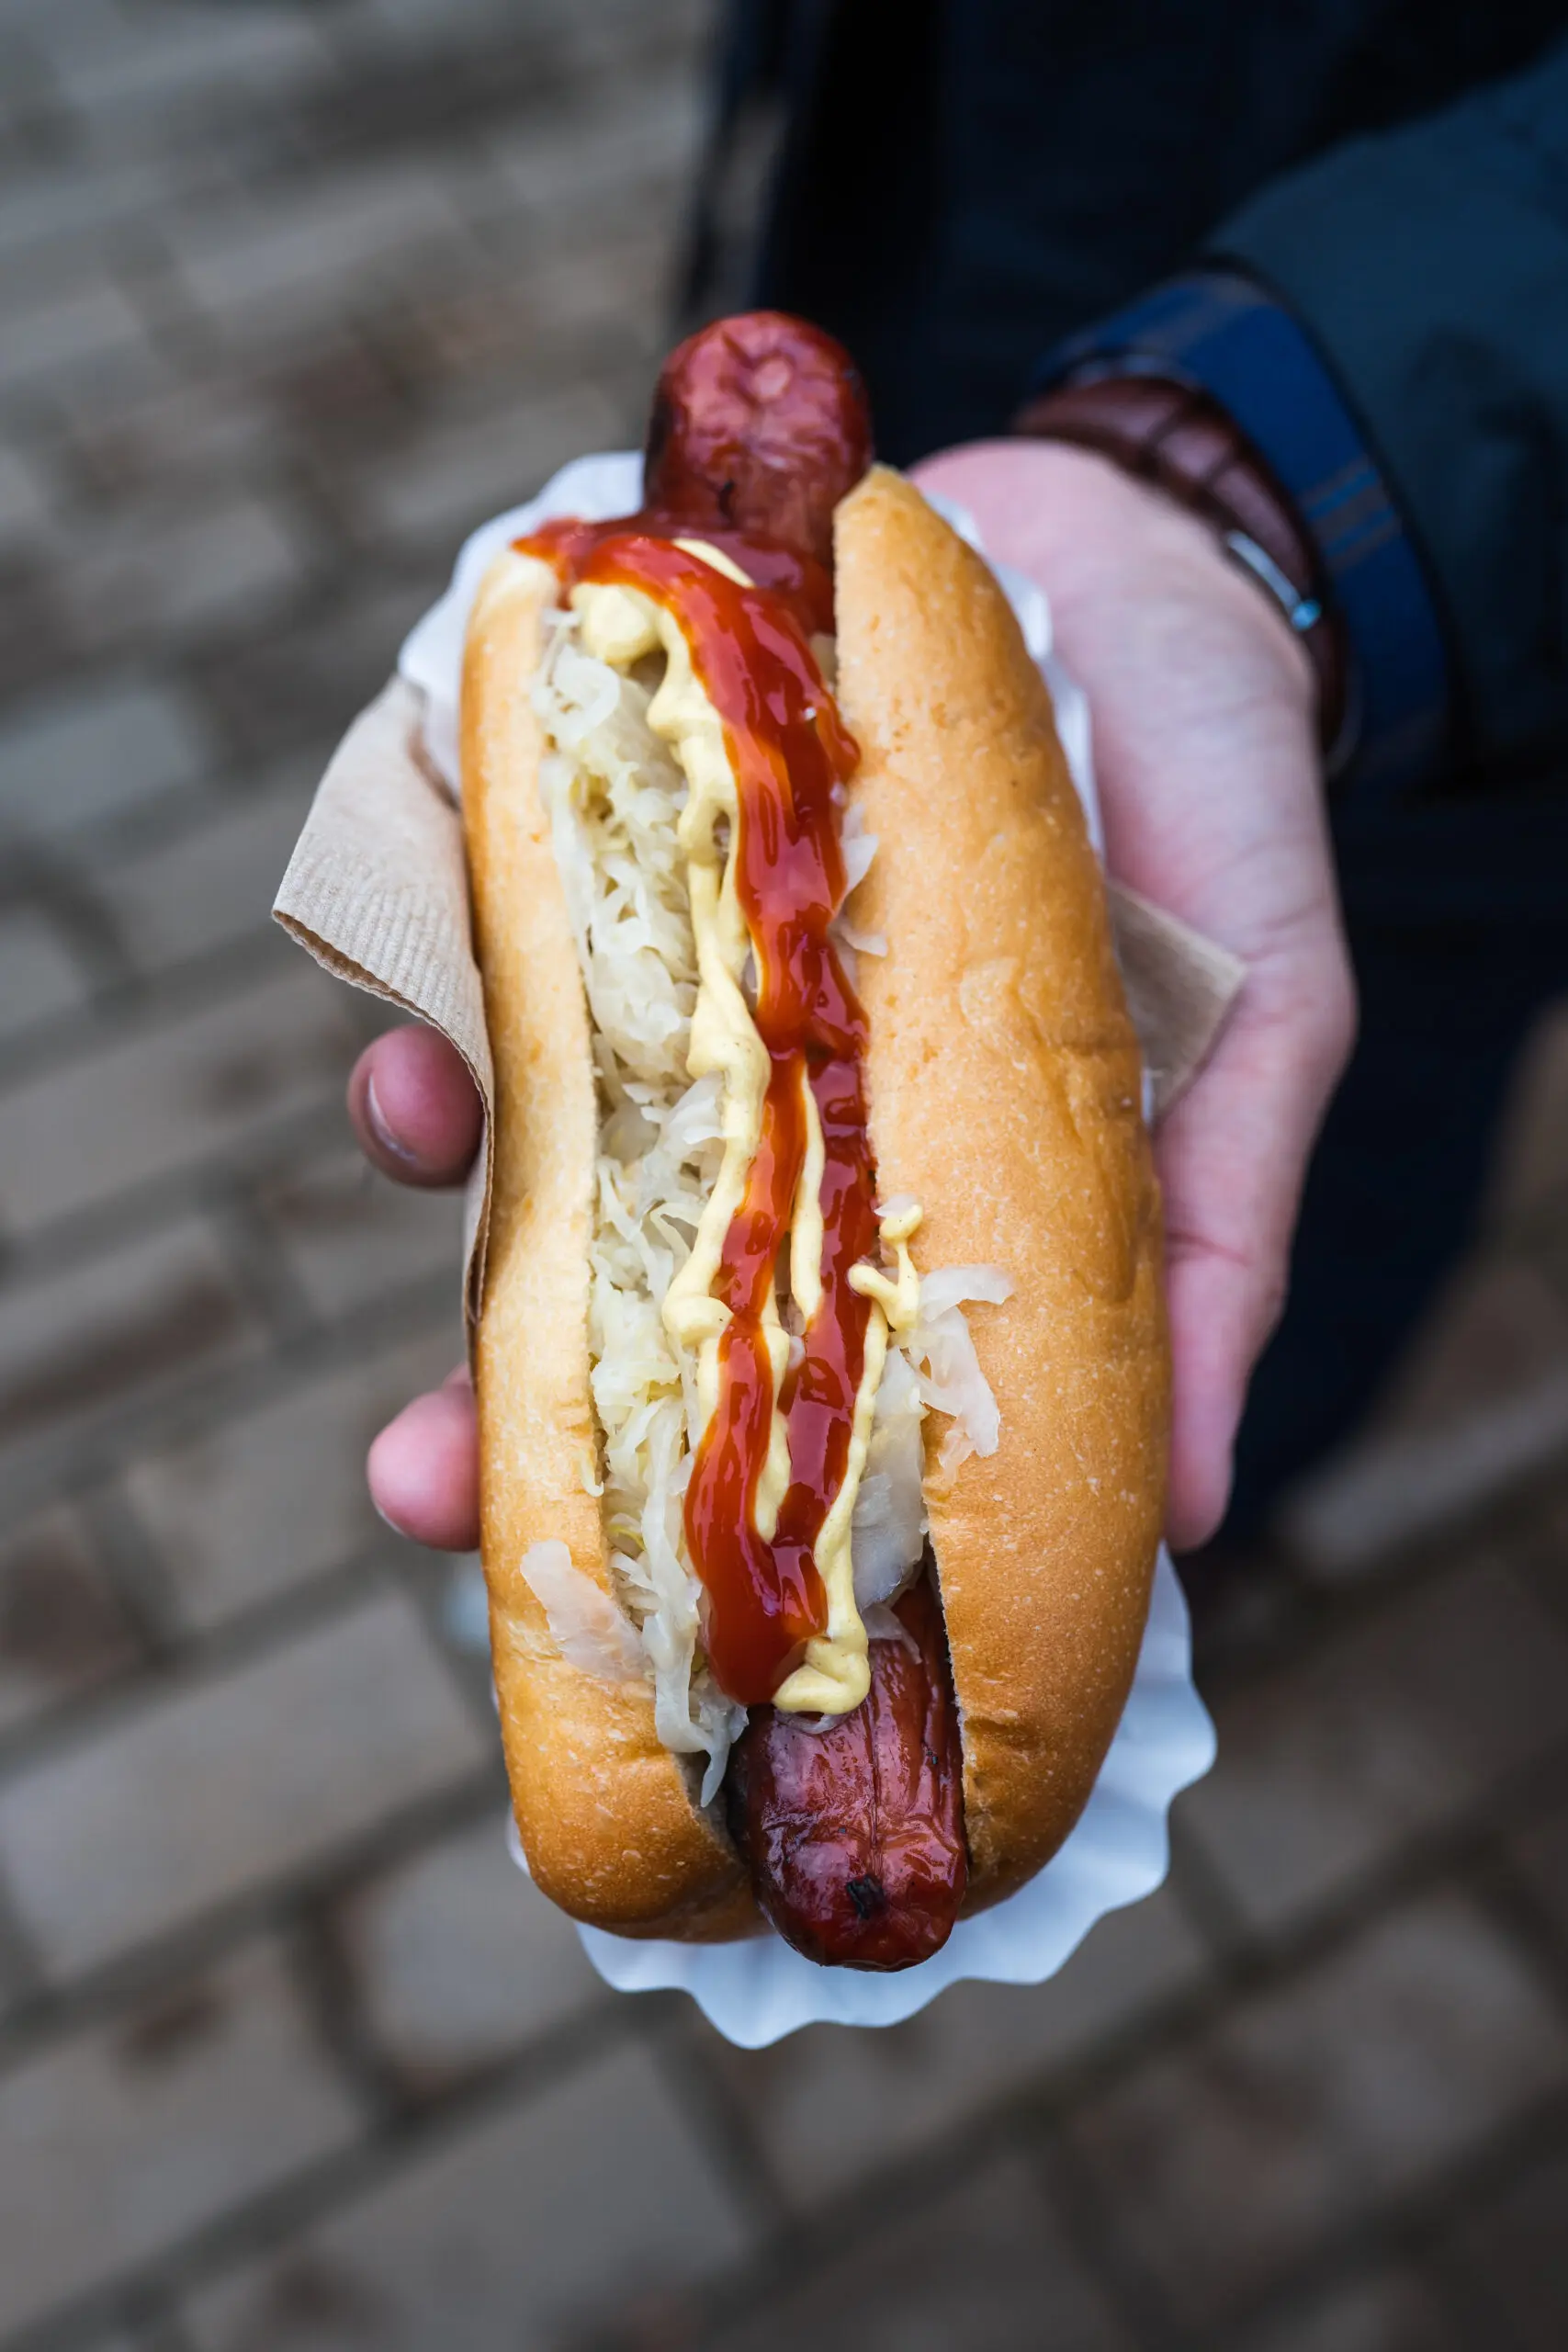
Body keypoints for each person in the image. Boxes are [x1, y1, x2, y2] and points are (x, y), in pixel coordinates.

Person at [352, 13, 1568, 1574]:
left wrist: (1281, 469)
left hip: (1442, 627)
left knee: (1287, 1230)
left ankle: (1179, 1555)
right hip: (945, 201)